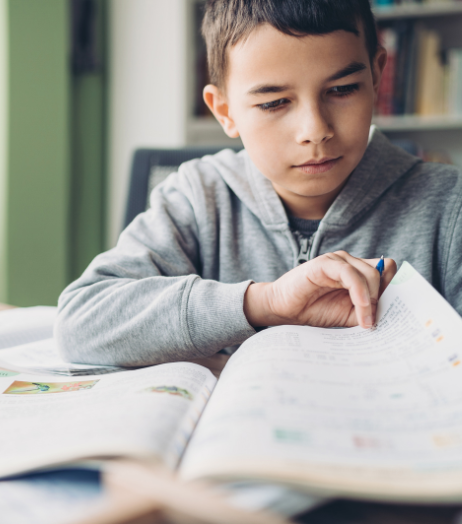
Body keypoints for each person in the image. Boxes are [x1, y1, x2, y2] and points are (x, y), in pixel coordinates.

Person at [55, 0, 462, 367]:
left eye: (341, 90)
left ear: (376, 77)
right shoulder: (198, 197)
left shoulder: (450, 207)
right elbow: (81, 323)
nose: (314, 130)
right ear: (224, 111)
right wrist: (263, 304)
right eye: (273, 102)